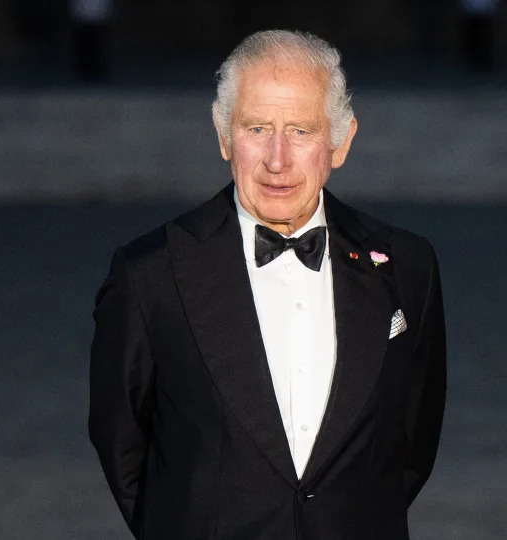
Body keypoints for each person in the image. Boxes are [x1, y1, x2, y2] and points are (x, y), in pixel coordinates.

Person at [89, 30, 446, 539]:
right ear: (223, 137)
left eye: (300, 131)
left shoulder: (407, 267)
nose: (277, 159)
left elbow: (412, 443)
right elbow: (121, 441)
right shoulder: (149, 276)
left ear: (340, 143)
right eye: (257, 128)